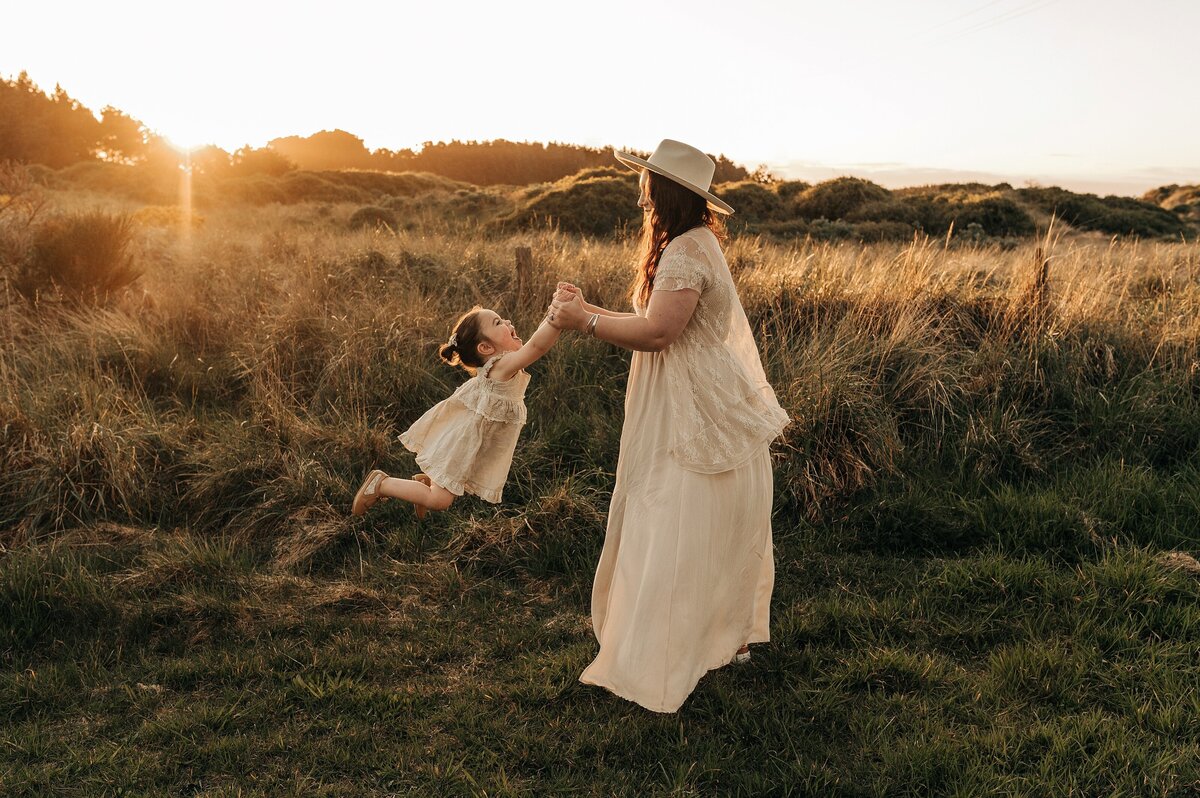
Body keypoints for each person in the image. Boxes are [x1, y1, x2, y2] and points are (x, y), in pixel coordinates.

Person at [547, 139, 791, 713]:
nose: (641, 189)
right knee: (693, 519)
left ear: (662, 190)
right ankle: (709, 639)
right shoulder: (698, 242)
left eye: (647, 180)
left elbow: (660, 332)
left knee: (673, 517)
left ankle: (666, 655)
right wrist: (595, 313)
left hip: (693, 405)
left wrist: (585, 320)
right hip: (699, 394)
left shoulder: (684, 249)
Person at [350, 306, 561, 518]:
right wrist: (556, 319)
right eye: (498, 323)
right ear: (486, 347)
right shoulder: (503, 365)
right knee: (440, 501)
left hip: (469, 436)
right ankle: (382, 484)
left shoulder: (499, 364)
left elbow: (537, 339)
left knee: (445, 488)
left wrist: (557, 309)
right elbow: (536, 345)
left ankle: (426, 483)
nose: (507, 322)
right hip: (464, 441)